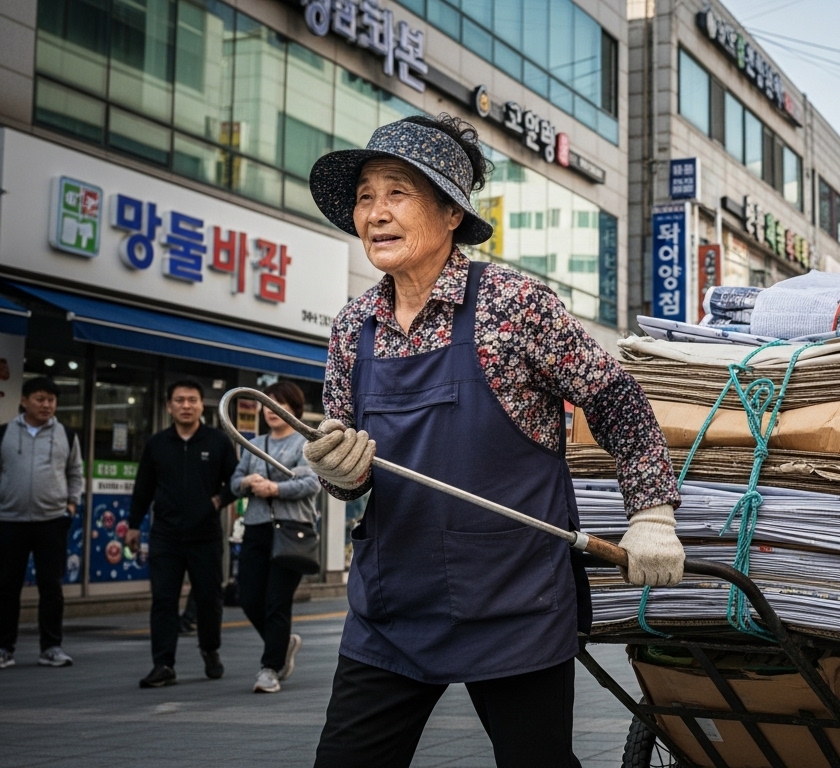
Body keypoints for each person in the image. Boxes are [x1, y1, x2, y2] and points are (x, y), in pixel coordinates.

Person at [302, 114, 685, 768]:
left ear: (451, 213)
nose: (375, 213)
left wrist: (651, 513)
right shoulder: (351, 327)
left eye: (397, 193)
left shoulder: (514, 304)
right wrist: (339, 474)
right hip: (392, 605)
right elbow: (352, 471)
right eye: (366, 197)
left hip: (514, 603)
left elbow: (615, 397)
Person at [126, 379, 239, 688]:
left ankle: (210, 650)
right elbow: (143, 487)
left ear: (202, 405)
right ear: (169, 406)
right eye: (179, 400)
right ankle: (163, 664)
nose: (186, 405)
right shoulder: (157, 444)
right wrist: (134, 525)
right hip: (165, 535)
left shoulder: (217, 441)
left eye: (192, 400)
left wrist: (218, 500)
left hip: (205, 535)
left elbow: (236, 480)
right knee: (163, 599)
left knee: (208, 598)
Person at [230, 380, 321, 694]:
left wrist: (275, 488)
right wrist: (246, 483)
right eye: (267, 406)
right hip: (256, 528)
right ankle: (283, 644)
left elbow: (312, 484)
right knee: (248, 597)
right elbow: (234, 481)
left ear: (294, 410)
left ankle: (270, 668)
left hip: (292, 531)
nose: (272, 412)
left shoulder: (304, 444)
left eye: (280, 406)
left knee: (276, 602)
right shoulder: (254, 443)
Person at [0, 377, 84, 669]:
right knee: (7, 586)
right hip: (10, 521)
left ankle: (51, 647)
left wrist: (71, 505)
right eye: (39, 399)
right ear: (24, 401)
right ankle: (3, 648)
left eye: (51, 400)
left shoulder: (67, 435)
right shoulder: (5, 433)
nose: (46, 405)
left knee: (51, 586)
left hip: (52, 521)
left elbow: (76, 473)